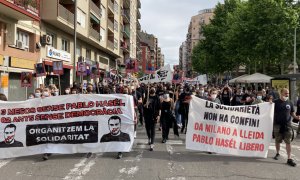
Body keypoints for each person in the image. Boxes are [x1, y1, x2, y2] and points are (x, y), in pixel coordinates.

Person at [273, 88, 299, 167]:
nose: (287, 95)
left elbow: (292, 113)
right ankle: (277, 153)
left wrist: (297, 117)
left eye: (288, 93)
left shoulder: (290, 102)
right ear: (281, 93)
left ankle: (289, 158)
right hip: (277, 125)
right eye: (285, 93)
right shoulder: (275, 102)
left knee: (288, 142)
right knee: (277, 140)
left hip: (287, 125)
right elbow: (269, 111)